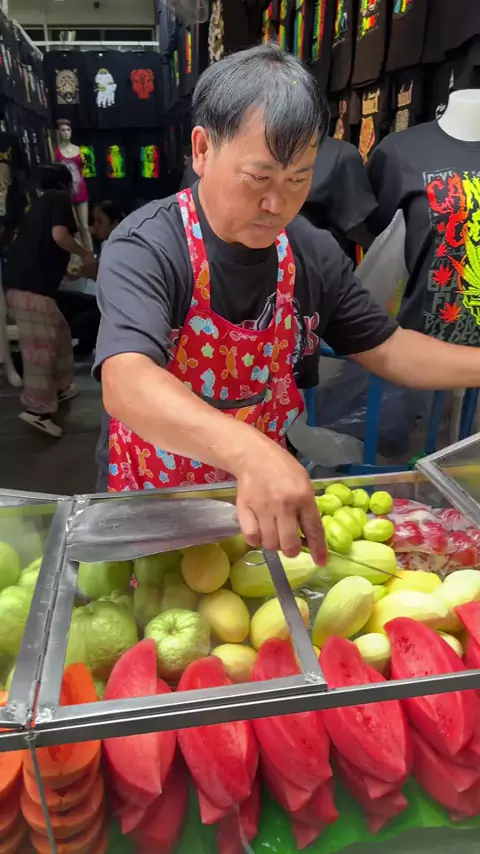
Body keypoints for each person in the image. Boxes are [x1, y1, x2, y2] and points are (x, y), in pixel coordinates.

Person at [95, 44, 480, 566]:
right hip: (155, 503)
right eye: (259, 178)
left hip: (263, 514)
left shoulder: (308, 251)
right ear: (203, 150)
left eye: (298, 179)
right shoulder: (148, 245)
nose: (276, 204)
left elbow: (390, 349)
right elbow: (127, 378)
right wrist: (249, 450)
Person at [5, 163, 95, 438]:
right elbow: (59, 235)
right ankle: (37, 410)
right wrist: (85, 253)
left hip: (26, 285)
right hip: (30, 289)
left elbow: (44, 245)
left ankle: (60, 387)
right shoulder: (59, 199)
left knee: (60, 333)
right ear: (66, 183)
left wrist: (65, 269)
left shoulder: (39, 205)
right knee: (40, 348)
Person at [57, 201, 124, 358]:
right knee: (63, 300)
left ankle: (91, 342)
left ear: (114, 223)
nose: (95, 226)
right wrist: (82, 272)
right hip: (105, 303)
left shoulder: (120, 245)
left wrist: (90, 271)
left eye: (100, 221)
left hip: (118, 310)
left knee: (80, 320)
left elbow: (112, 284)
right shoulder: (108, 243)